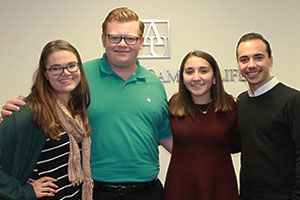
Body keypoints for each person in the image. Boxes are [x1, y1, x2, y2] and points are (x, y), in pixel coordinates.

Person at [0, 7, 173, 200]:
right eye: (114, 37)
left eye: (130, 38)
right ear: (103, 40)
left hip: (149, 192)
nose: (122, 44)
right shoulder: (81, 77)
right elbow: (48, 100)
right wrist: (18, 111)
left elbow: (166, 135)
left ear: (141, 42)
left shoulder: (154, 83)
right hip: (96, 191)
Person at [0, 39, 93, 200]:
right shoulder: (28, 114)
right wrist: (26, 192)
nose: (65, 73)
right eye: (56, 68)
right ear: (45, 74)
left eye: (71, 65)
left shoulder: (77, 111)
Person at [164, 50, 240, 200]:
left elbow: (236, 145)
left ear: (214, 77)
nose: (196, 77)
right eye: (189, 71)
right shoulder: (173, 105)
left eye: (203, 71)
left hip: (221, 188)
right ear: (183, 78)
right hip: (180, 189)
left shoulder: (230, 106)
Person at [236, 32, 300, 199]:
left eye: (258, 57)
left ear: (270, 60)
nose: (251, 65)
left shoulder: (292, 100)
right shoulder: (241, 102)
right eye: (244, 59)